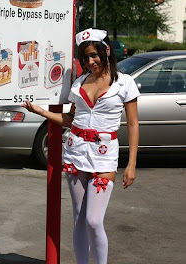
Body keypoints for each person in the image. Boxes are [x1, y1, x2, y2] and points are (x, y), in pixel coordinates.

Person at [22, 28, 140, 264]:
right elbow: (70, 120)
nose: (90, 61)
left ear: (106, 51)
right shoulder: (78, 83)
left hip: (105, 156)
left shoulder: (124, 83)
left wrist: (131, 164)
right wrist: (42, 112)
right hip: (76, 153)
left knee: (94, 220)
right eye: (85, 57)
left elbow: (133, 124)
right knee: (78, 217)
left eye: (94, 55)